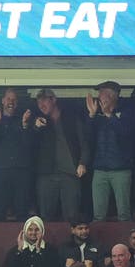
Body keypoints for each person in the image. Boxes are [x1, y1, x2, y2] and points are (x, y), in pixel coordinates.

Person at [33, 88, 89, 221]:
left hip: (70, 173)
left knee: (72, 217)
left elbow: (84, 143)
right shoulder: (39, 121)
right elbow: (29, 145)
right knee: (45, 217)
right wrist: (35, 127)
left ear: (54, 100)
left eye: (44, 102)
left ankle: (70, 241)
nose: (41, 106)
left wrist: (83, 162)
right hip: (46, 174)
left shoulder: (71, 118)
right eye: (39, 103)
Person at [86, 81, 135, 221]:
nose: (99, 97)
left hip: (121, 169)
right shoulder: (98, 114)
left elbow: (125, 132)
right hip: (100, 169)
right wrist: (91, 115)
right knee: (98, 215)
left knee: (123, 213)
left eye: (101, 93)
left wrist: (109, 115)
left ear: (111, 95)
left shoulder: (127, 111)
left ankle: (126, 241)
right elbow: (88, 137)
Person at [0, 88, 34, 221]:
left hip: (21, 170)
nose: (11, 102)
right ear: (3, 101)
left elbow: (29, 144)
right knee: (0, 210)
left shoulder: (23, 119)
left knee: (21, 210)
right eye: (8, 99)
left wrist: (24, 124)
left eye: (14, 99)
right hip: (1, 170)